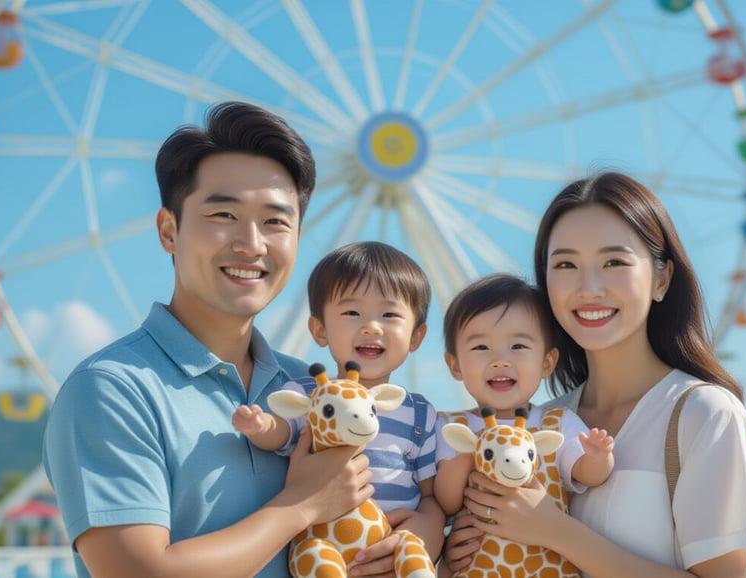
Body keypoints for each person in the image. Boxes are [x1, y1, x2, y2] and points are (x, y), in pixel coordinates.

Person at [43, 102, 375, 578]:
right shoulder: (111, 389)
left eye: (276, 221)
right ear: (168, 231)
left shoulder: (313, 390)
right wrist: (300, 506)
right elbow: (137, 572)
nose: (252, 243)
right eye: (224, 214)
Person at [443, 172, 746, 577]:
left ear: (662, 279)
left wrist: (556, 531)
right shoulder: (541, 422)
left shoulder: (703, 414)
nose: (589, 287)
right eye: (565, 264)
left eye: (614, 262)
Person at [232, 240, 446, 569]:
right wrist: (261, 426)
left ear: (416, 337)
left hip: (396, 549)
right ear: (319, 330)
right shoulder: (309, 395)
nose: (371, 326)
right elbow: (282, 431)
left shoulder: (419, 413)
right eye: (351, 312)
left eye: (389, 314)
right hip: (326, 547)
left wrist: (426, 532)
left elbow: (430, 495)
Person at [433, 273, 614, 519]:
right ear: (455, 365)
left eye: (517, 346)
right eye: (481, 347)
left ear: (547, 362)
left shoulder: (557, 424)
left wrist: (597, 457)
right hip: (478, 555)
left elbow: (588, 474)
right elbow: (447, 502)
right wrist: (468, 452)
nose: (499, 361)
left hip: (542, 553)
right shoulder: (451, 427)